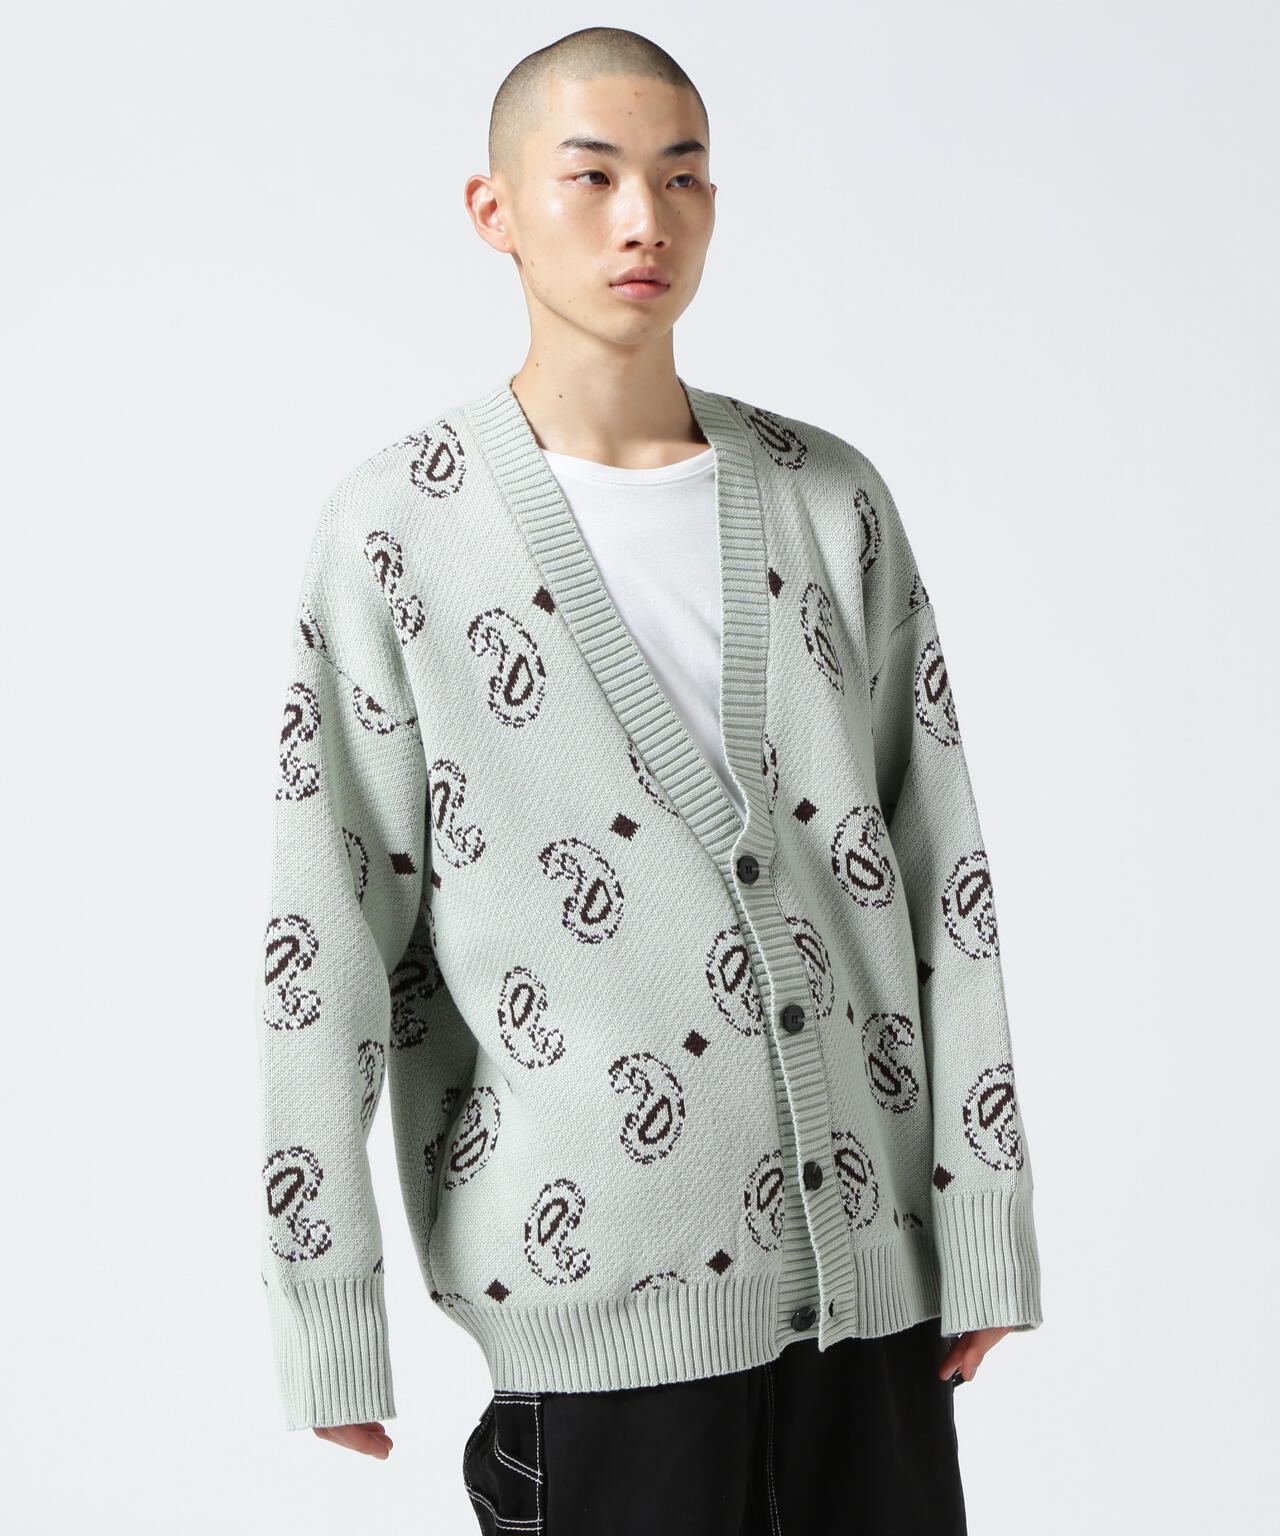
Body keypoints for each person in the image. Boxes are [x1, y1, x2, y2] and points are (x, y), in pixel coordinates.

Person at [256, 25, 1043, 1535]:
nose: (645, 220)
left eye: (682, 178)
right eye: (594, 176)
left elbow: (943, 869)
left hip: (872, 1310)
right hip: (595, 1323)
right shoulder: (396, 532)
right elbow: (326, 933)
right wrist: (324, 1304)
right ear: (494, 209)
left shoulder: (829, 497)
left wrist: (983, 1222)